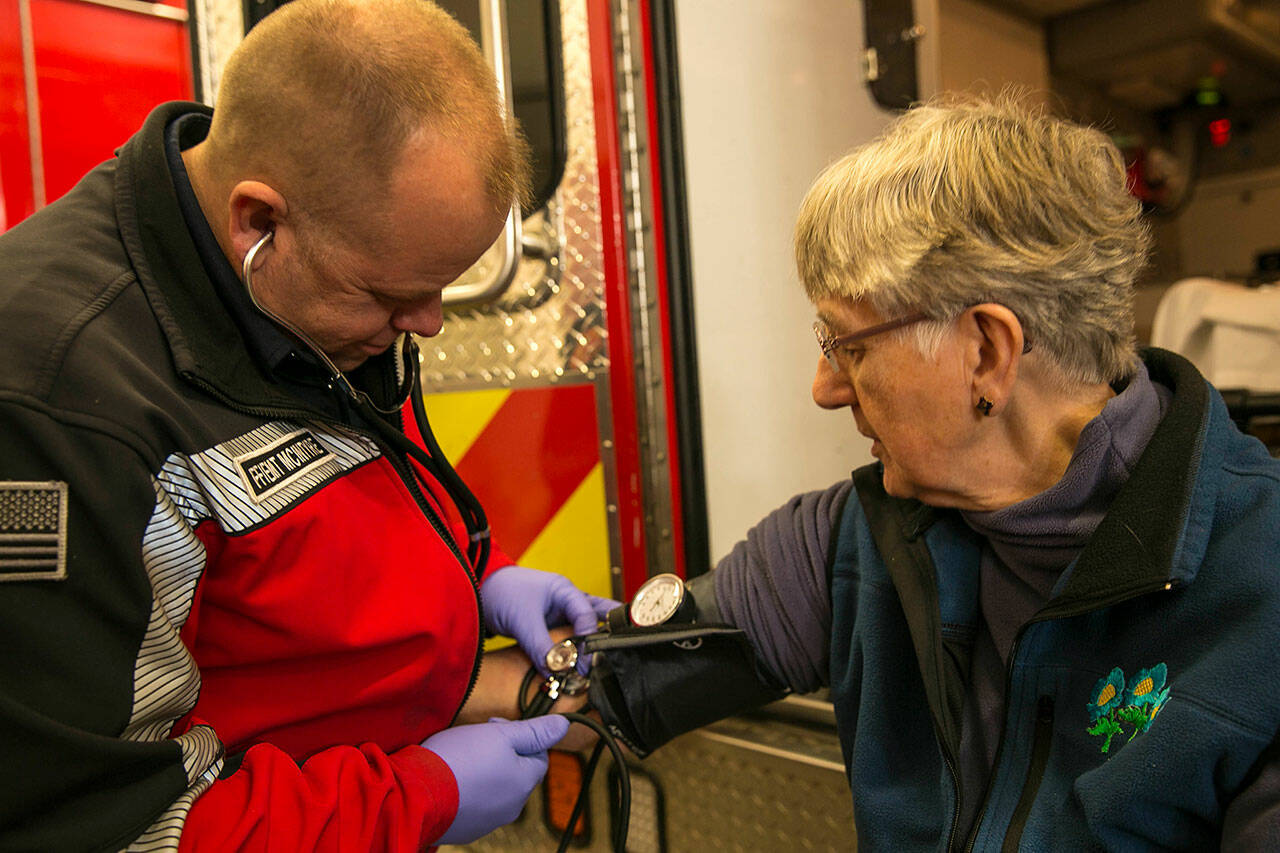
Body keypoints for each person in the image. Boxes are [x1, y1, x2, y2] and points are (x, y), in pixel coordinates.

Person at [587, 95, 1280, 849]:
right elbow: (605, 687)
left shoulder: (1260, 588)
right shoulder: (854, 542)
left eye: (847, 345)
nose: (825, 389)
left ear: (986, 351)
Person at [0, 0, 612, 849]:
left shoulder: (303, 275)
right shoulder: (59, 410)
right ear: (260, 222)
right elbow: (103, 829)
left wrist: (477, 576)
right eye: (398, 296)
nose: (428, 324)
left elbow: (337, 495)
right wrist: (415, 798)